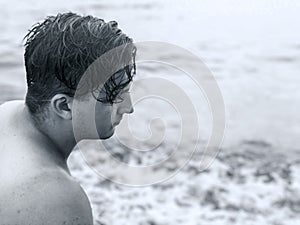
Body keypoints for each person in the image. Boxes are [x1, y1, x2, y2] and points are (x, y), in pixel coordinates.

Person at [0, 12, 136, 225]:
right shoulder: (56, 196)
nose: (128, 108)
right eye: (114, 96)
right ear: (64, 106)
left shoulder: (7, 114)